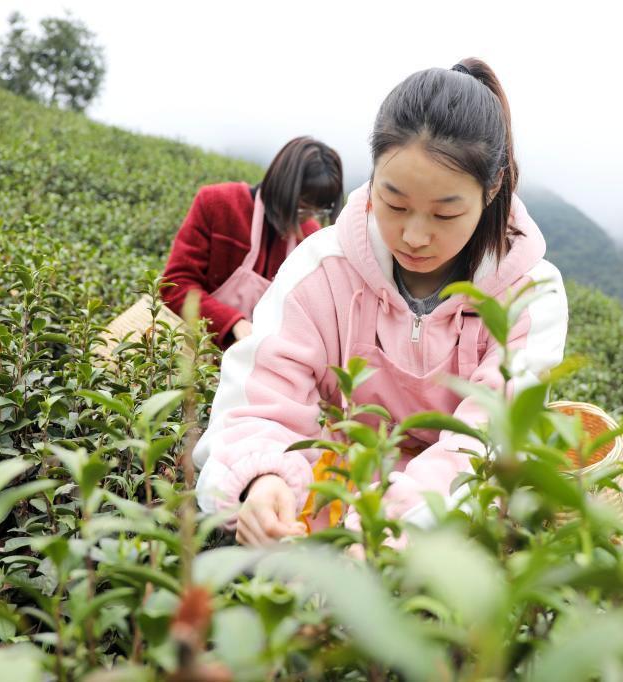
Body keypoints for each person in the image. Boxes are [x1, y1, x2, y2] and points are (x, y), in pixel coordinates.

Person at [193, 58, 568, 549]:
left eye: (445, 212)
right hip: (333, 500)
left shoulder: (528, 294)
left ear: (492, 188)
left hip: (448, 530)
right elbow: (262, 395)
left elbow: (487, 440)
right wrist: (262, 481)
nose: (414, 236)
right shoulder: (324, 267)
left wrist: (383, 531)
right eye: (394, 204)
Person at [161, 136, 344, 351]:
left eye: (320, 210)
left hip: (256, 361)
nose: (307, 217)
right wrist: (232, 323)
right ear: (281, 186)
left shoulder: (310, 236)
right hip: (193, 348)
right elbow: (176, 284)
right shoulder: (217, 204)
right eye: (303, 207)